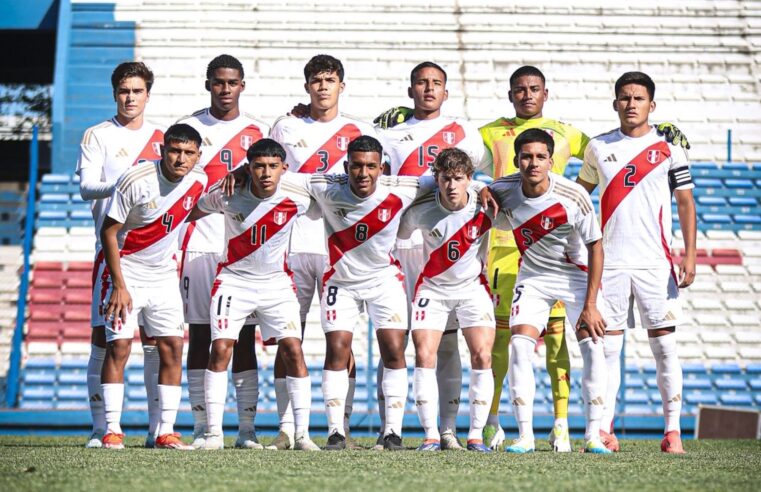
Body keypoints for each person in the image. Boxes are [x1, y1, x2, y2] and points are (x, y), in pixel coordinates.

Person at [377, 65, 690, 451]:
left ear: (546, 94)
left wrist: (664, 136)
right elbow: (458, 171)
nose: (534, 162)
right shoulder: (489, 139)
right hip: (511, 260)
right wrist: (388, 127)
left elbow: (614, 154)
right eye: (520, 89)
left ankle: (577, 428)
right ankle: (505, 428)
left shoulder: (571, 153)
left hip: (572, 270)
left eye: (534, 89)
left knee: (571, 344)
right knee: (508, 344)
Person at [278, 135, 491, 451]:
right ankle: (337, 432)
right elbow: (276, 176)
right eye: (357, 166)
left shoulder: (404, 187)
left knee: (393, 348)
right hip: (341, 281)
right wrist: (242, 172)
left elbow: (453, 178)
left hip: (383, 280)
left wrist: (481, 187)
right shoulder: (326, 186)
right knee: (337, 348)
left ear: (382, 168)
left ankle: (392, 432)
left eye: (371, 166)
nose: (363, 173)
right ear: (347, 166)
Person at [577, 72, 696, 454]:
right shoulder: (597, 147)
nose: (631, 104)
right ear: (615, 104)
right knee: (606, 352)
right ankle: (605, 430)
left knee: (664, 348)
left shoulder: (669, 148)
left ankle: (672, 432)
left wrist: (689, 254)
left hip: (654, 264)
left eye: (639, 98)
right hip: (608, 264)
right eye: (625, 98)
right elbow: (580, 198)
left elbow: (685, 203)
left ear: (651, 105)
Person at [375, 62, 486, 450]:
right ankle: (391, 428)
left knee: (448, 341)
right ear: (410, 90)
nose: (428, 89)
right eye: (421, 83)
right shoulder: (388, 134)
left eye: (436, 83)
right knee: (393, 336)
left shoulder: (464, 131)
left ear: (446, 91)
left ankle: (449, 428)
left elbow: (479, 177)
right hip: (403, 240)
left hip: (444, 242)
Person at [268, 54, 375, 450]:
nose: (323, 87)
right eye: (316, 80)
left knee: (339, 341)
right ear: (307, 85)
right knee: (287, 337)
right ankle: (285, 427)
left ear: (341, 86)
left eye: (330, 80)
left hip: (338, 247)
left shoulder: (360, 131)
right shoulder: (285, 126)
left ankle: (338, 427)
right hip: (292, 244)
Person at [187, 139, 320, 451]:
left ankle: (302, 435)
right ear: (249, 168)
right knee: (220, 348)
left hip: (277, 284)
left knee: (292, 350)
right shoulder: (228, 193)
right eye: (259, 166)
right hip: (233, 282)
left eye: (273, 166)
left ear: (284, 169)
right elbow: (187, 210)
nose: (266, 173)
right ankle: (214, 435)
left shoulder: (299, 195)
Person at [488, 128, 610, 454]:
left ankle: (593, 436)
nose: (533, 163)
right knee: (518, 346)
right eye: (526, 157)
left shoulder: (573, 196)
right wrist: (480, 193)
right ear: (516, 160)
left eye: (541, 157)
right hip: (534, 277)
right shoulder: (503, 188)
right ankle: (525, 435)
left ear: (551, 161)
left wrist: (591, 304)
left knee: (593, 347)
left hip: (576, 277)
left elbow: (596, 247)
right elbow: (477, 190)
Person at [177, 54, 270, 449]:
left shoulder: (259, 130)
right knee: (200, 335)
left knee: (245, 337)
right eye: (218, 82)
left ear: (242, 85)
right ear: (208, 84)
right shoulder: (188, 129)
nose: (225, 89)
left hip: (242, 243)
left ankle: (246, 430)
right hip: (198, 241)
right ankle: (203, 427)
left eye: (232, 82)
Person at [99, 124, 207, 450]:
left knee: (173, 347)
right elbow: (108, 232)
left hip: (163, 277)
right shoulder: (135, 180)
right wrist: (119, 285)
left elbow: (195, 208)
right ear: (162, 150)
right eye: (175, 151)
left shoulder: (198, 181)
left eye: (189, 153)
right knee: (119, 347)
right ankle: (111, 429)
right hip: (126, 272)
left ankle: (165, 431)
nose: (180, 159)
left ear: (197, 156)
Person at [76, 61, 164, 448]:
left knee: (157, 342)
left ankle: (158, 429)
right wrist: (126, 181)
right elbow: (87, 187)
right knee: (106, 340)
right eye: (124, 91)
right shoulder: (97, 135)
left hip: (157, 254)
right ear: (115, 93)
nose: (130, 97)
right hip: (114, 250)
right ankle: (102, 427)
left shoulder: (163, 139)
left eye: (137, 91)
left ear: (148, 94)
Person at [399, 148, 494, 453]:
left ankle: (476, 435)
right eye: (445, 179)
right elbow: (398, 236)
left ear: (470, 179)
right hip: (433, 290)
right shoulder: (419, 210)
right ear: (436, 179)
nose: (451, 186)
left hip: (471, 289)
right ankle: (430, 435)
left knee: (482, 355)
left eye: (458, 179)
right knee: (425, 355)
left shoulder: (487, 204)